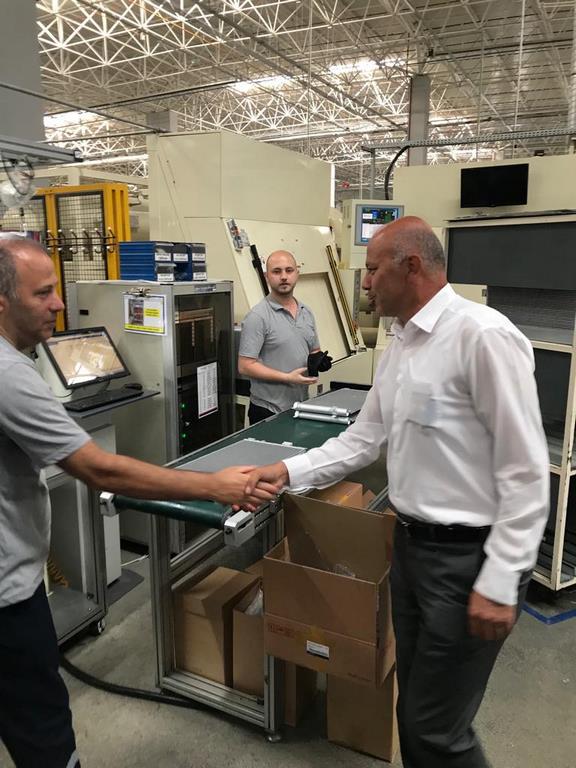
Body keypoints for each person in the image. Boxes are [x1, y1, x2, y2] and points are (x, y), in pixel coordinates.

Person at [245, 216, 549, 768]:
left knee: (437, 730)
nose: (363, 283)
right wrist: (287, 472)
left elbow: (525, 470)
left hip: (468, 562)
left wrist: (502, 577)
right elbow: (364, 438)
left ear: (411, 267)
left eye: (372, 270)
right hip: (411, 552)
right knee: (413, 710)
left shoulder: (482, 336)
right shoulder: (402, 344)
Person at [0, 235, 279, 768]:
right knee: (42, 729)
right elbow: (99, 469)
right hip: (9, 599)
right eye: (43, 293)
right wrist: (213, 486)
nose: (58, 304)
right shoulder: (10, 374)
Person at [238, 250, 321, 424]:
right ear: (267, 276)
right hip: (267, 410)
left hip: (300, 406)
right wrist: (287, 377)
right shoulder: (258, 317)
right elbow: (245, 366)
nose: (284, 277)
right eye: (276, 271)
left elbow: (314, 350)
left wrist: (319, 361)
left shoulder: (306, 312)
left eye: (289, 270)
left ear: (297, 273)